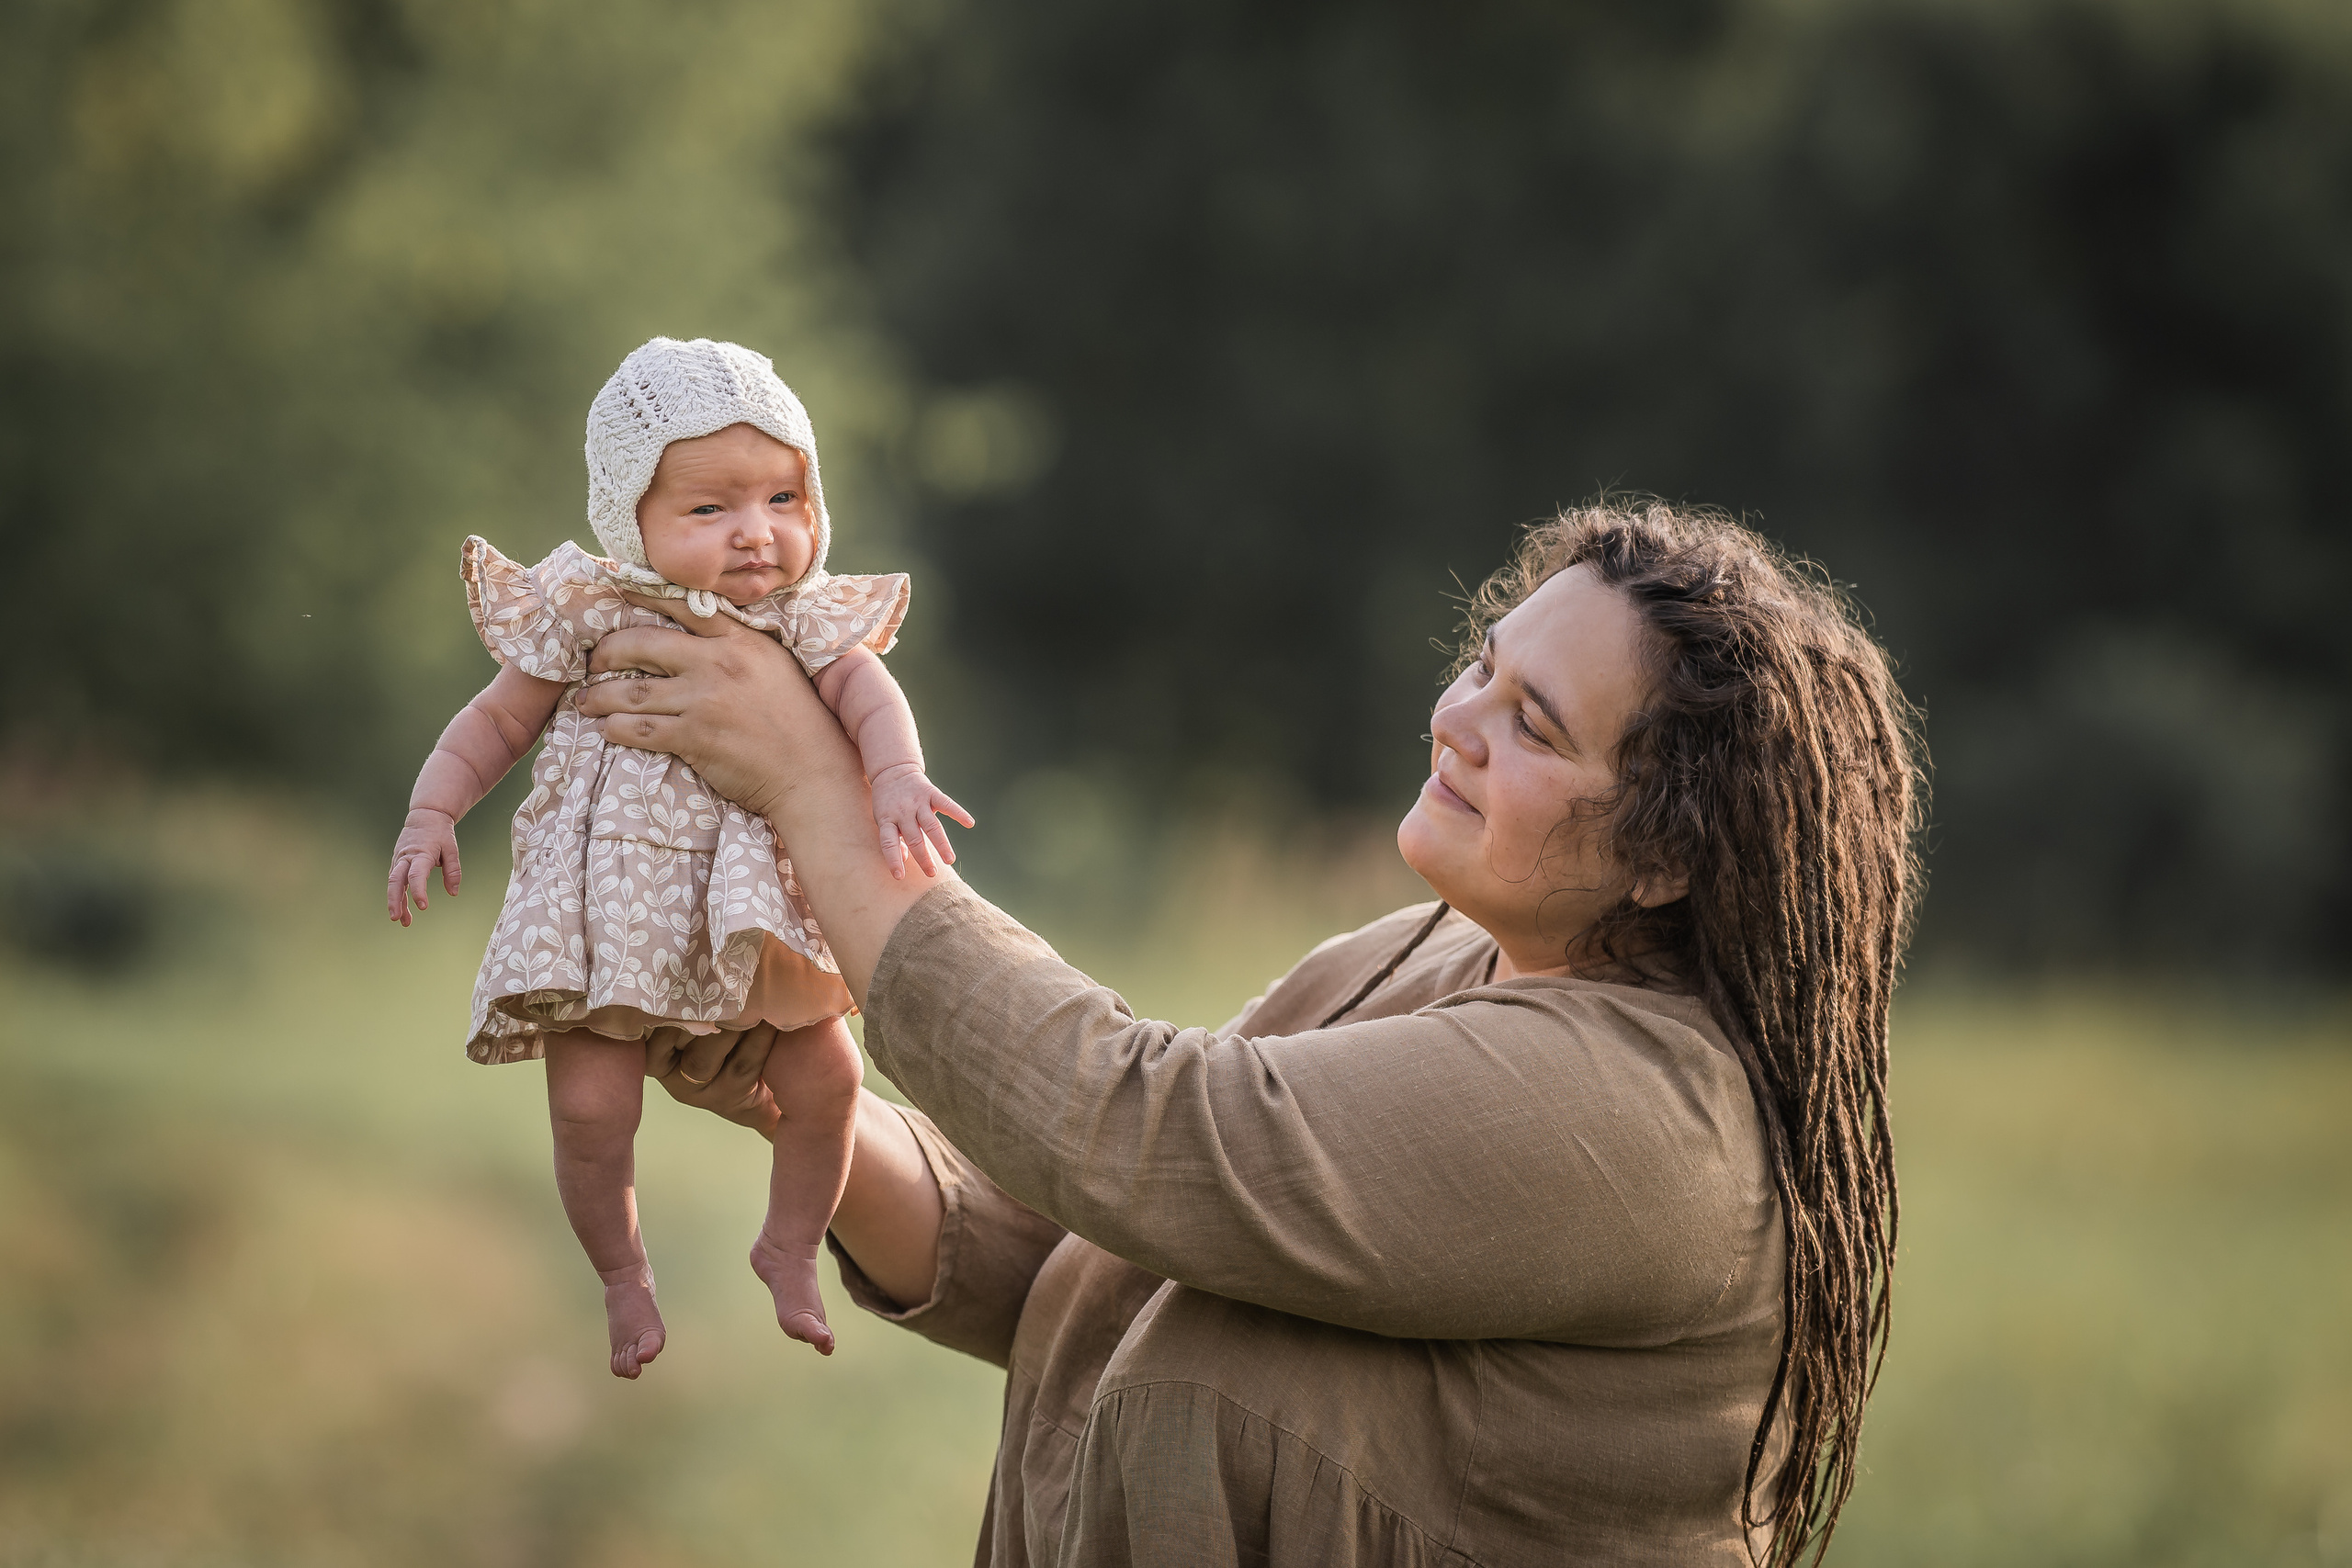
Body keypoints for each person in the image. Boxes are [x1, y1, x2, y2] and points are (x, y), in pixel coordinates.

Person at [580, 500, 1923, 1566]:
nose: (1457, 721)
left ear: (1666, 855)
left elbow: (1149, 1129)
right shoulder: (1430, 954)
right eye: (1483, 664)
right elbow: (1119, 1255)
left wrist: (817, 787)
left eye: (1535, 725)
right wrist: (807, 1107)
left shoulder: (1636, 1114)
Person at [385, 337, 970, 1377]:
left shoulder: (797, 620)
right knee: (589, 1105)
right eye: (709, 508)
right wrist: (434, 811)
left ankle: (791, 1245)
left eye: (784, 498)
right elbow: (496, 722)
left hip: (753, 915)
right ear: (632, 521)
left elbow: (870, 693)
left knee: (829, 1074)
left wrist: (895, 775)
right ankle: (622, 1274)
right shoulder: (590, 609)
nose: (756, 532)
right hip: (610, 915)